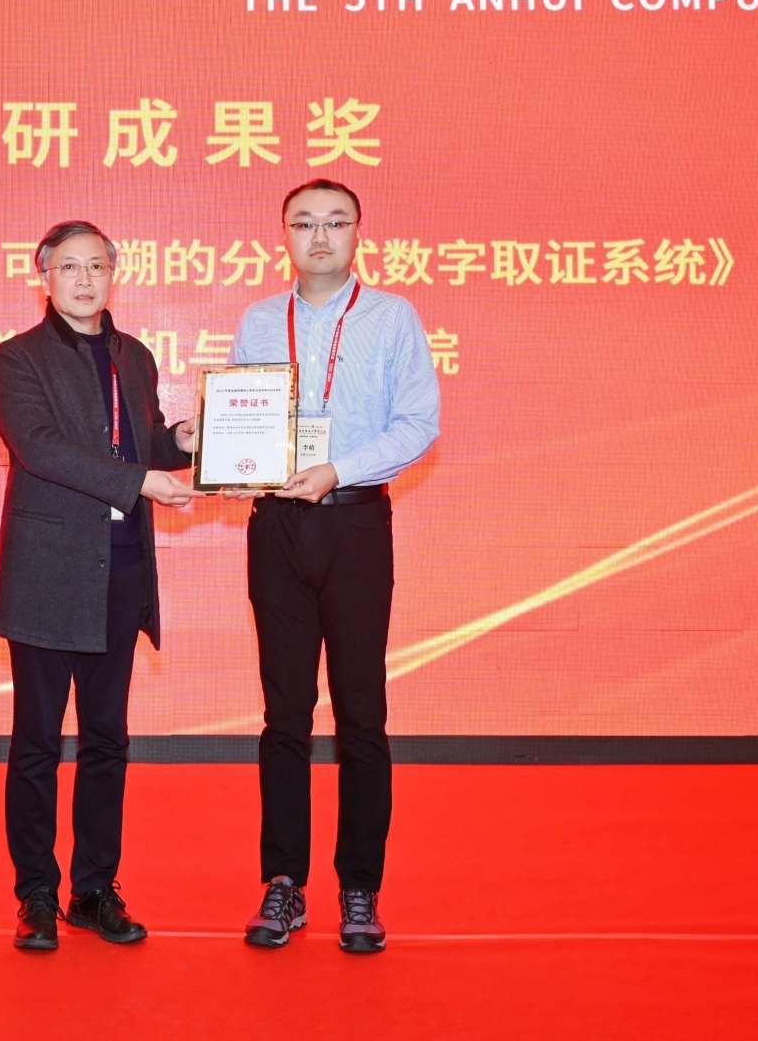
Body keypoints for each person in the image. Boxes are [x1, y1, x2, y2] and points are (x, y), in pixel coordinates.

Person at [227, 179, 439, 954]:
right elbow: (243, 418)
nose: (319, 236)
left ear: (358, 233)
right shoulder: (259, 319)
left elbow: (418, 423)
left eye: (336, 222)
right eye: (304, 223)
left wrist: (338, 469)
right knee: (284, 714)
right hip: (277, 526)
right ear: (283, 234)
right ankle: (283, 883)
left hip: (353, 523)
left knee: (361, 712)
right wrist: (228, 458)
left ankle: (360, 886)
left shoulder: (392, 317)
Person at [0, 220, 199, 951]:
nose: (84, 280)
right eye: (69, 267)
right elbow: (40, 448)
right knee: (38, 741)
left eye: (97, 266)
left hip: (121, 568)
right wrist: (141, 479)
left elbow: (140, 441)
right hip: (48, 574)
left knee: (107, 738)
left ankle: (94, 888)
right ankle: (36, 893)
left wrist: (182, 442)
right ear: (44, 276)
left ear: (115, 273)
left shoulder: (134, 356)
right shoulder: (18, 357)